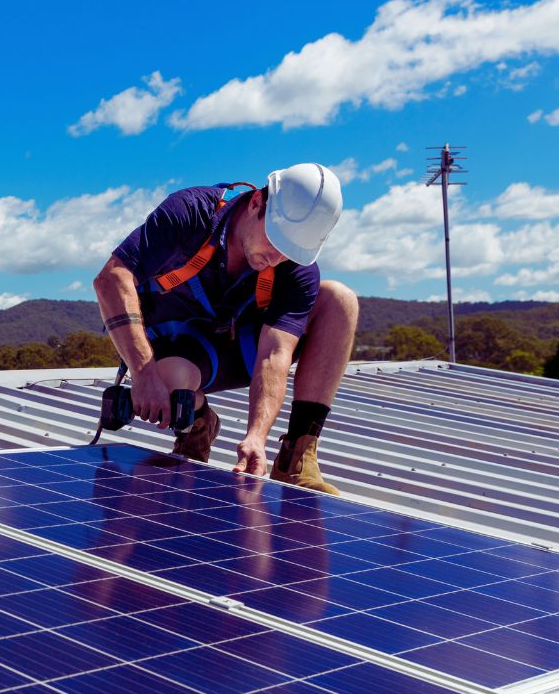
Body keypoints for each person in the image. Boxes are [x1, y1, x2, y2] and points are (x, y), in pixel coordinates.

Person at [91, 163, 358, 495]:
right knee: (175, 383)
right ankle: (199, 422)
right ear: (257, 203)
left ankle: (297, 456)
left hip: (238, 347)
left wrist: (256, 437)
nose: (275, 259)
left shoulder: (294, 269)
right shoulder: (190, 213)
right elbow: (111, 278)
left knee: (338, 300)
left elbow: (274, 354)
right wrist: (143, 374)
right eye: (274, 242)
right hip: (175, 344)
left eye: (288, 253)